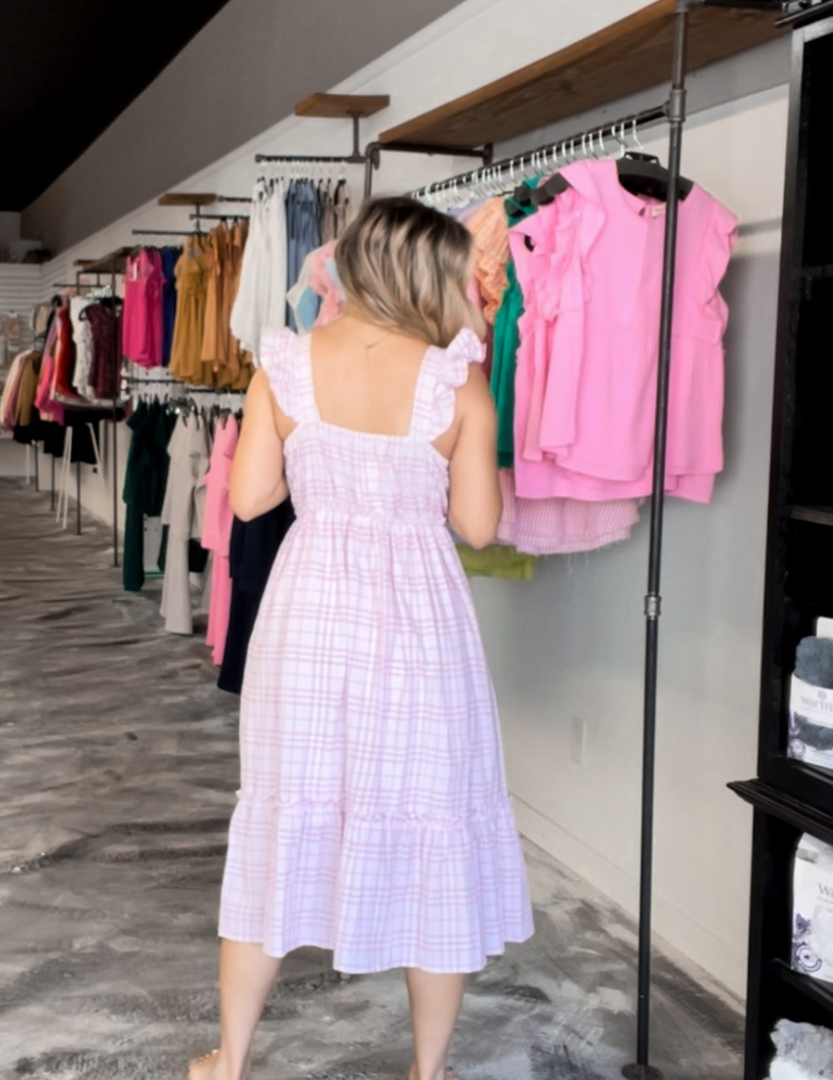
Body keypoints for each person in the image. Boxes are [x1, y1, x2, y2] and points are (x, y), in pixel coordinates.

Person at [190, 197, 533, 1080]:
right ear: (429, 274)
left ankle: (229, 1061)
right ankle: (427, 1070)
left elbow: (252, 499)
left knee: (282, 819)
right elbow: (479, 525)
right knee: (433, 827)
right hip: (419, 622)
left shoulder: (285, 366)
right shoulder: (458, 378)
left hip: (307, 619)